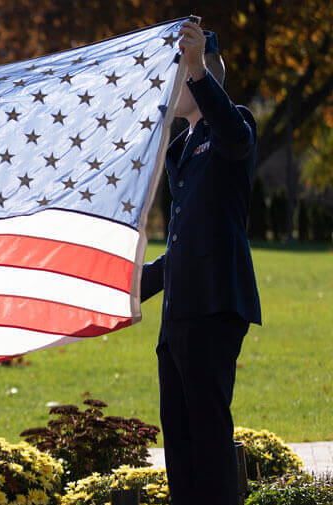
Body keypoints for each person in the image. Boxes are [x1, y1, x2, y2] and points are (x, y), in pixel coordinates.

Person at [141, 20, 261, 505]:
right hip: (179, 315)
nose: (171, 89)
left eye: (179, 77)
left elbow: (233, 137)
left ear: (200, 73)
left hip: (214, 306)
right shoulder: (181, 147)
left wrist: (194, 71)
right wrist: (134, 282)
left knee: (209, 437)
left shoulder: (236, 123)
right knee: (180, 441)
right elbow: (184, 242)